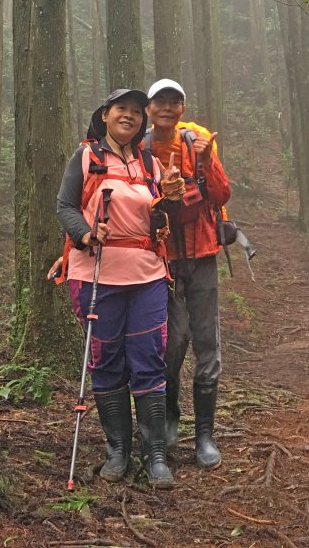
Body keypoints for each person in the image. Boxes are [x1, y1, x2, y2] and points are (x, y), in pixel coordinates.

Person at [56, 88, 185, 489]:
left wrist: (173, 197)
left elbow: (163, 217)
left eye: (134, 111)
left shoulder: (150, 162)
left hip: (146, 274)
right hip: (96, 272)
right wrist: (87, 234)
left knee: (149, 357)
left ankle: (156, 454)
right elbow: (64, 206)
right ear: (105, 116)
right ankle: (118, 451)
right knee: (107, 358)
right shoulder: (86, 157)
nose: (128, 116)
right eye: (120, 110)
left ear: (142, 120)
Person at [144, 78, 232, 469]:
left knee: (207, 341)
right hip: (162, 260)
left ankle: (205, 436)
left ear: (182, 108)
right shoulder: (141, 149)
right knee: (172, 342)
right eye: (159, 101)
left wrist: (206, 159)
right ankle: (168, 419)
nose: (166, 107)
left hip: (203, 255)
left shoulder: (197, 143)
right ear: (149, 109)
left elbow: (222, 194)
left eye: (173, 101)